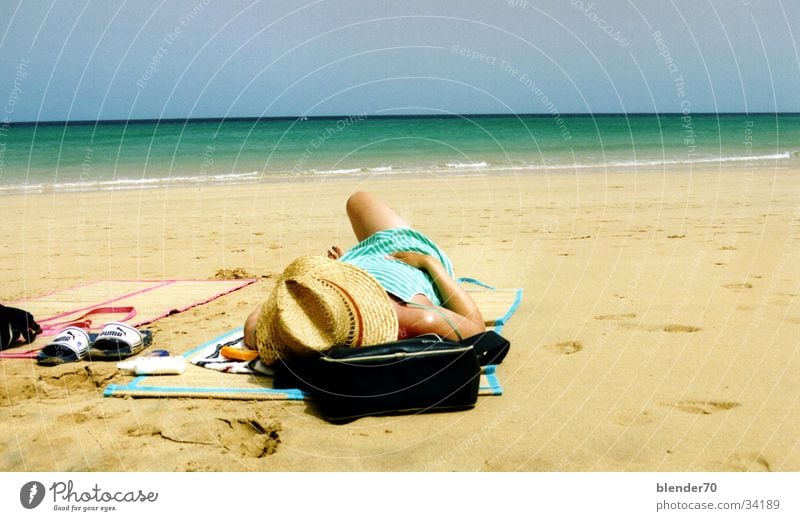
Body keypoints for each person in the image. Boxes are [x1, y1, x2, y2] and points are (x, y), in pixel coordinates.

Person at [244, 191, 485, 365]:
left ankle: (344, 271)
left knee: (356, 200)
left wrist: (337, 272)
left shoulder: (297, 337)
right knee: (360, 199)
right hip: (399, 254)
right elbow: (477, 331)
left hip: (347, 274)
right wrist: (428, 263)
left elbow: (254, 324)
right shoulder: (413, 317)